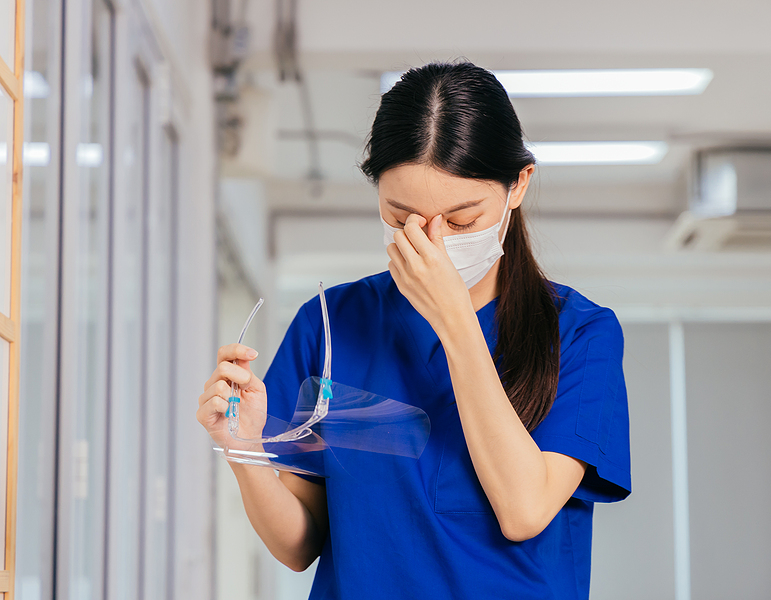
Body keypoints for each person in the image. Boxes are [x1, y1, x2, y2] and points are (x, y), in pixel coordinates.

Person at [197, 61, 631, 599]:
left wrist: (453, 319)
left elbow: (524, 510)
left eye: (462, 220)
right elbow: (298, 545)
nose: (432, 240)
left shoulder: (580, 335)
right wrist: (244, 451)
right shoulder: (329, 325)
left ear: (517, 186)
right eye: (402, 216)